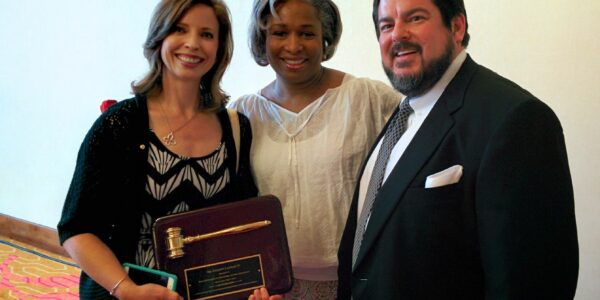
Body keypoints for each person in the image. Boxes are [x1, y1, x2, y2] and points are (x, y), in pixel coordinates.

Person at [336, 0, 579, 299]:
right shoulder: (403, 115)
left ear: (457, 27)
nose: (397, 35)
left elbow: (533, 284)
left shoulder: (516, 120)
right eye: (386, 25)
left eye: (415, 18)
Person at [57, 0, 257, 299]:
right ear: (159, 37)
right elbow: (76, 228)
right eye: (179, 29)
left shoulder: (236, 127)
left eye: (206, 34)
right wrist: (125, 289)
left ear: (219, 48)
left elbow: (242, 225)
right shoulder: (118, 124)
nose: (192, 43)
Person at [228, 0, 401, 299]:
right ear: (262, 38)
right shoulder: (243, 114)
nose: (293, 46)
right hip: (273, 289)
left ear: (325, 37)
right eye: (280, 33)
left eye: (306, 33)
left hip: (357, 282)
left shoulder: (368, 99)